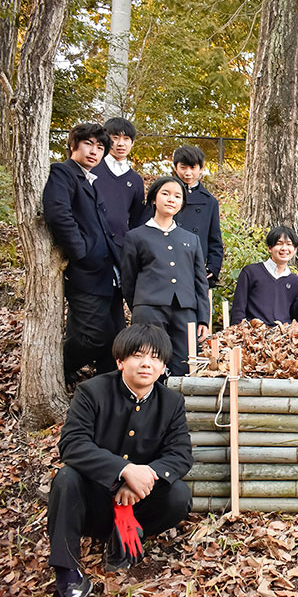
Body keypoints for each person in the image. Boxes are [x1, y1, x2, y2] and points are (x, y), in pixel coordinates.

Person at [47, 324, 193, 597]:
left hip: (139, 499)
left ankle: (126, 536)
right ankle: (67, 574)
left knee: (179, 496)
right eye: (138, 355)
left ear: (163, 367)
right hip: (95, 499)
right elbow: (72, 444)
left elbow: (181, 454)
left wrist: (145, 475)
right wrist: (124, 471)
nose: (146, 364)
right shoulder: (91, 392)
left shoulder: (172, 402)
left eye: (155, 358)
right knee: (66, 478)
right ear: (120, 361)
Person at [42, 123, 122, 382]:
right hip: (87, 272)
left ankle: (105, 392)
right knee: (92, 336)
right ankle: (58, 370)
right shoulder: (63, 173)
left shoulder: (90, 180)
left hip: (107, 274)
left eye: (100, 147)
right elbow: (58, 214)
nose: (94, 151)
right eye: (88, 144)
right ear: (73, 144)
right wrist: (81, 252)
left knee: (114, 338)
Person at [121, 177, 210, 376]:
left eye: (177, 196)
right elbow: (128, 279)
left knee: (185, 364)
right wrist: (140, 304)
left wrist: (203, 318)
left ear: (182, 204)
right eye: (165, 193)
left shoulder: (191, 239)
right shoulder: (136, 237)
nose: (171, 199)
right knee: (148, 361)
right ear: (153, 199)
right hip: (149, 310)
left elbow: (200, 282)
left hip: (185, 311)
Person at [230, 226, 298, 325]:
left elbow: (297, 317)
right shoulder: (251, 272)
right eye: (279, 244)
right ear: (270, 248)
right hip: (254, 334)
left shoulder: (295, 281)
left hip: (282, 336)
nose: (284, 248)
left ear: (295, 249)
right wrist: (238, 332)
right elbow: (238, 308)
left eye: (289, 244)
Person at [170, 145, 223, 287]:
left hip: (195, 267)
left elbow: (215, 239)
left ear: (201, 168)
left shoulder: (209, 201)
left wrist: (213, 266)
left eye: (192, 167)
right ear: (175, 167)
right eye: (183, 167)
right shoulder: (164, 195)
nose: (188, 173)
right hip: (167, 265)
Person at [90, 117, 147, 250]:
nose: (121, 143)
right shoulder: (92, 169)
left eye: (126, 138)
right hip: (92, 244)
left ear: (132, 143)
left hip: (120, 247)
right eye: (115, 137)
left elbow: (136, 219)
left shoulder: (136, 180)